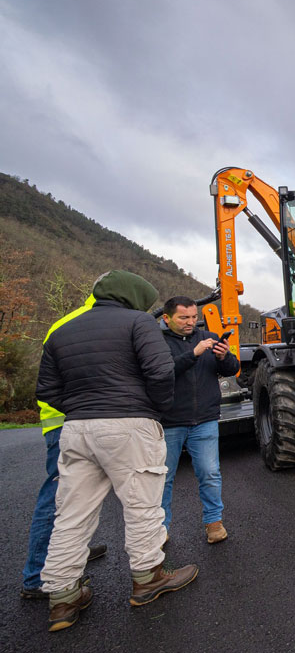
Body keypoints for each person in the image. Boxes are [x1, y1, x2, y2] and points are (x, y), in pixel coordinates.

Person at [35, 270, 199, 632]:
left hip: (76, 430)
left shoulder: (63, 330)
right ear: (136, 299)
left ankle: (62, 598)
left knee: (71, 515)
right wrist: (152, 410)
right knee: (142, 507)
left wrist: (82, 409)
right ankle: (147, 579)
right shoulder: (138, 323)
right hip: (130, 426)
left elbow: (46, 389)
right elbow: (160, 373)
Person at [19, 295, 108, 600]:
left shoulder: (66, 322)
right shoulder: (97, 324)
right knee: (58, 498)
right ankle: (38, 576)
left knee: (77, 496)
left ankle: (71, 552)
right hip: (70, 422)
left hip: (65, 420)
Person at [159, 296, 240, 544]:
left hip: (204, 418)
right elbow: (162, 373)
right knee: (163, 478)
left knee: (210, 473)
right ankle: (159, 530)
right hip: (169, 421)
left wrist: (223, 356)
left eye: (194, 317)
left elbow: (231, 369)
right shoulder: (156, 342)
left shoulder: (210, 337)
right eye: (184, 317)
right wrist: (193, 354)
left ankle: (214, 523)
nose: (190, 322)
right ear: (167, 318)